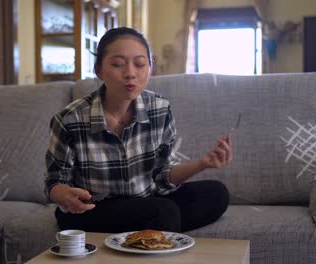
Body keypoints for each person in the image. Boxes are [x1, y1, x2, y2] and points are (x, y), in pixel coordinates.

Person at [44, 27, 231, 233]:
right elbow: (54, 183)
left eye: (140, 64)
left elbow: (162, 175)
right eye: (118, 64)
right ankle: (156, 227)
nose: (130, 73)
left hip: (146, 201)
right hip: (93, 210)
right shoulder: (70, 119)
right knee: (164, 212)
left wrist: (203, 164)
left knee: (216, 194)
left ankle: (146, 230)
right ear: (99, 70)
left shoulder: (159, 109)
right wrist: (65, 195)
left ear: (149, 68)